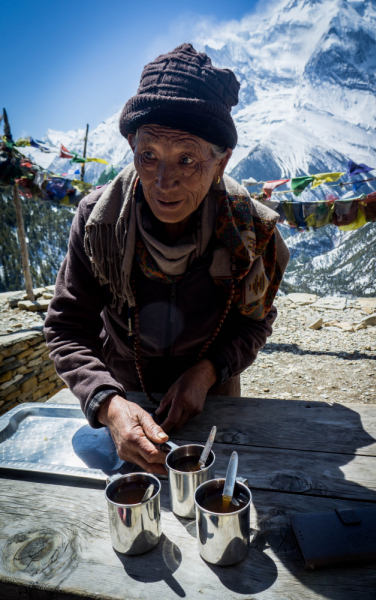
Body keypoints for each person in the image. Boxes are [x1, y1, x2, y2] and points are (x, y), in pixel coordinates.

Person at [44, 43, 290, 474]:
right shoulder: (98, 223)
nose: (164, 182)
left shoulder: (248, 230)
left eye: (187, 159)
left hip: (214, 400)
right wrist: (108, 403)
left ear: (221, 161)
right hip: (123, 401)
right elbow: (67, 327)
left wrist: (208, 372)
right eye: (149, 155)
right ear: (131, 146)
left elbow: (254, 320)